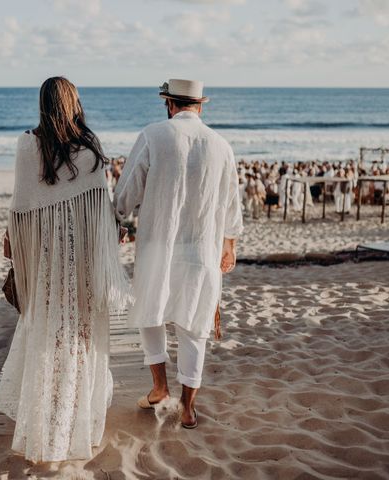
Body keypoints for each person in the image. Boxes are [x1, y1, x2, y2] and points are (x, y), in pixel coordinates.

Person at [0, 76, 131, 462]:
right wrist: (113, 235)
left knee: (47, 336)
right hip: (82, 262)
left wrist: (17, 247)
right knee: (79, 339)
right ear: (73, 103)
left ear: (42, 104)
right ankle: (75, 423)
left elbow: (19, 210)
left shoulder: (26, 145)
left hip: (43, 262)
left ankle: (48, 422)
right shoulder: (89, 151)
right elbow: (100, 215)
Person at [113, 78, 243, 429]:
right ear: (200, 106)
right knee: (194, 324)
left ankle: (159, 387)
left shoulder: (153, 135)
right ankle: (187, 408)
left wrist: (118, 221)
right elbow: (232, 205)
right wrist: (228, 246)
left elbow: (127, 190)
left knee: (151, 312)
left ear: (169, 104)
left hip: (158, 242)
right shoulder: (221, 145)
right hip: (202, 247)